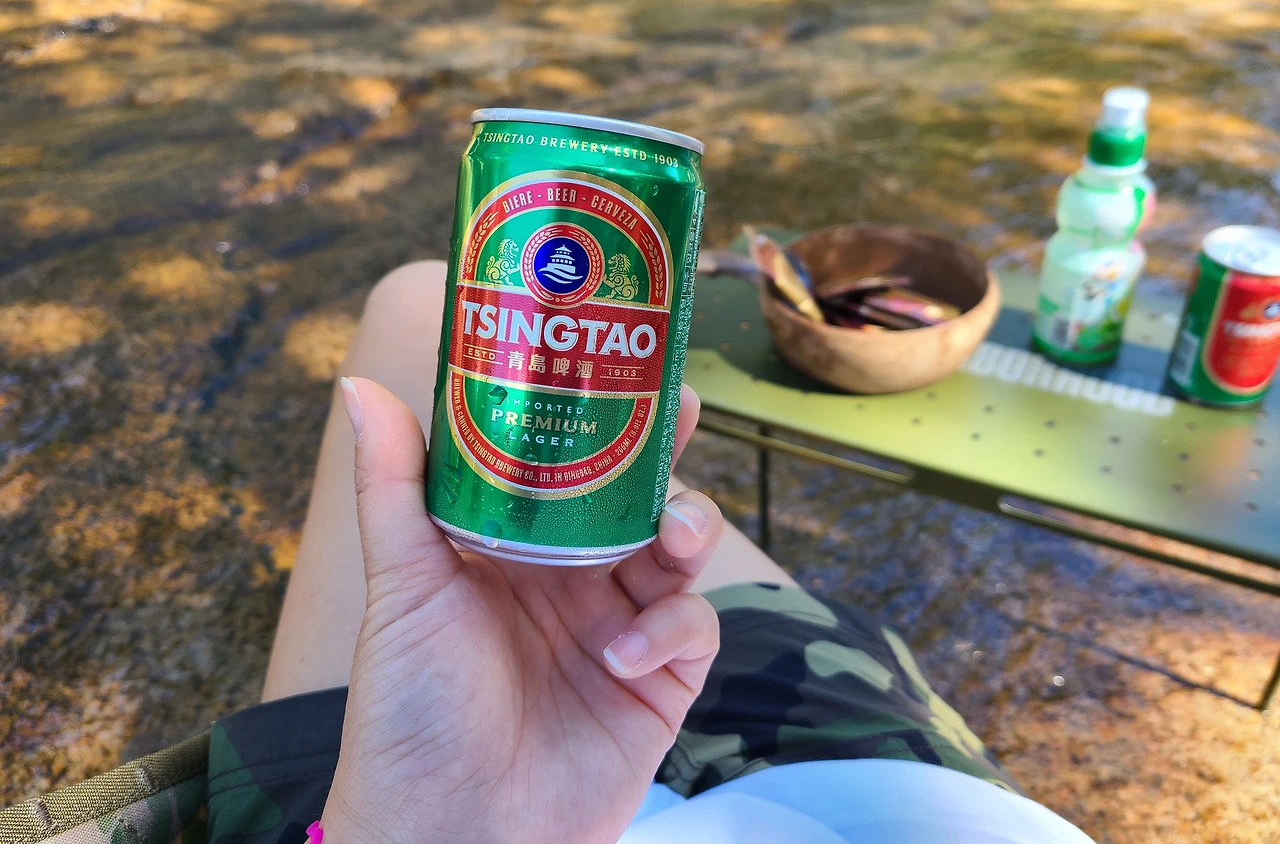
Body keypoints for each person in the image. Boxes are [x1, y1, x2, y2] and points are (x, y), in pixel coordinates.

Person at [0, 262, 1095, 844]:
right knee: (443, 312)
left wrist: (430, 830)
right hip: (891, 776)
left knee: (419, 301)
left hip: (421, 812)